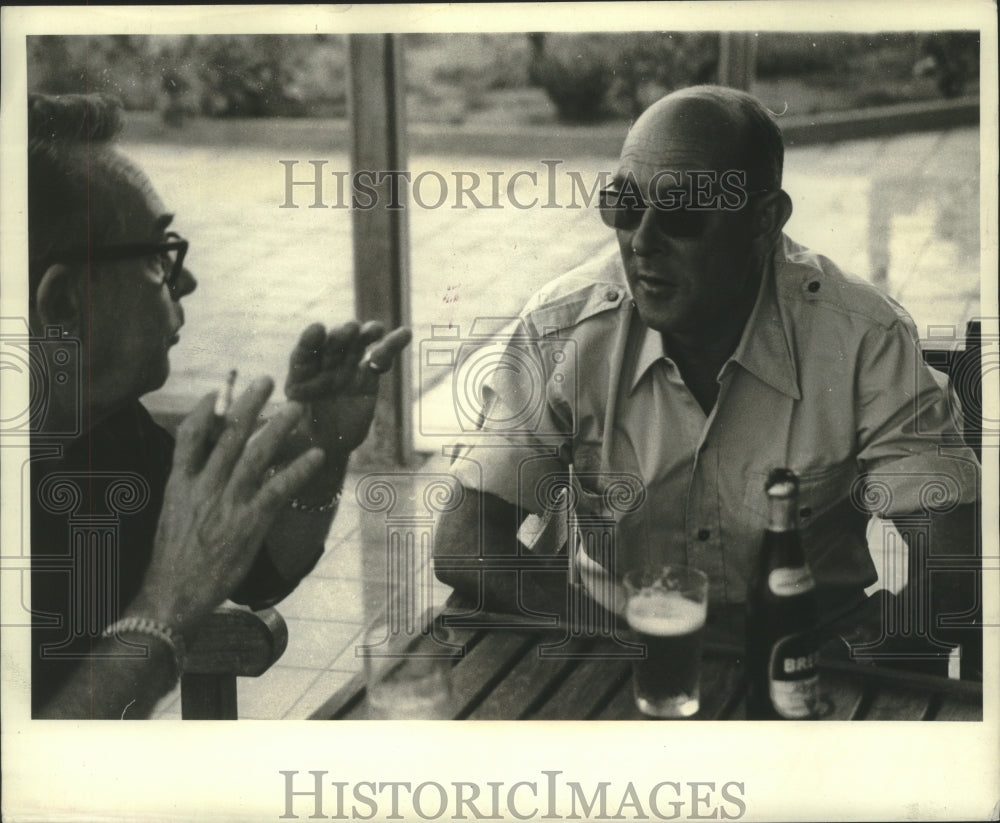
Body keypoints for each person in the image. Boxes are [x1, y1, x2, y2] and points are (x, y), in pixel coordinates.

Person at [433, 85, 980, 672]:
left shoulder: (861, 339)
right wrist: (624, 641)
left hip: (810, 654)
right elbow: (466, 541)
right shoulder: (564, 327)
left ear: (763, 220)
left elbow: (956, 566)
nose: (641, 241)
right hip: (622, 645)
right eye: (624, 204)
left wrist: (850, 660)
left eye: (681, 212)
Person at [27, 92, 411, 718]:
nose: (185, 280)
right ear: (64, 302)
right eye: (157, 256)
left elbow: (258, 571)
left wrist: (326, 439)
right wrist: (168, 605)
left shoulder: (105, 431)